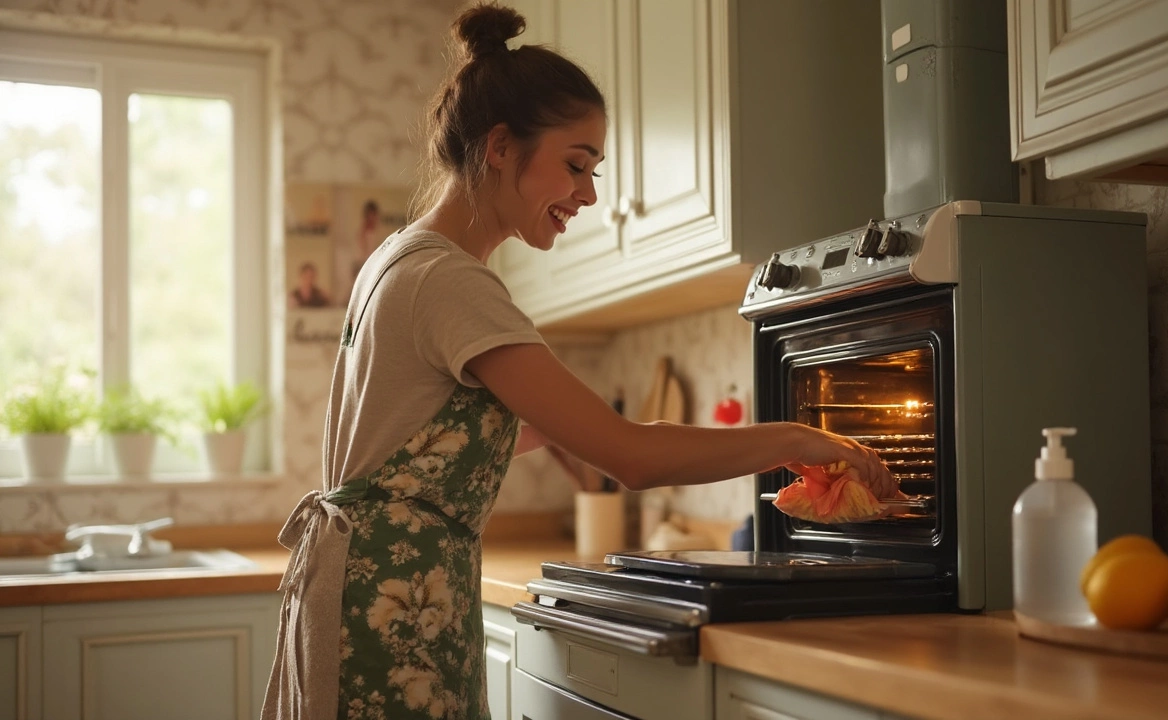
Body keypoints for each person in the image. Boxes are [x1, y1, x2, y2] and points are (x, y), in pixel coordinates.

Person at [261, 4, 890, 719]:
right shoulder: (451, 280)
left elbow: (419, 439)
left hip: (379, 590)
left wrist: (552, 428)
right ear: (500, 147)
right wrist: (799, 438)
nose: (589, 194)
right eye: (575, 165)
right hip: (396, 606)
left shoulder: (399, 258)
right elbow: (632, 458)